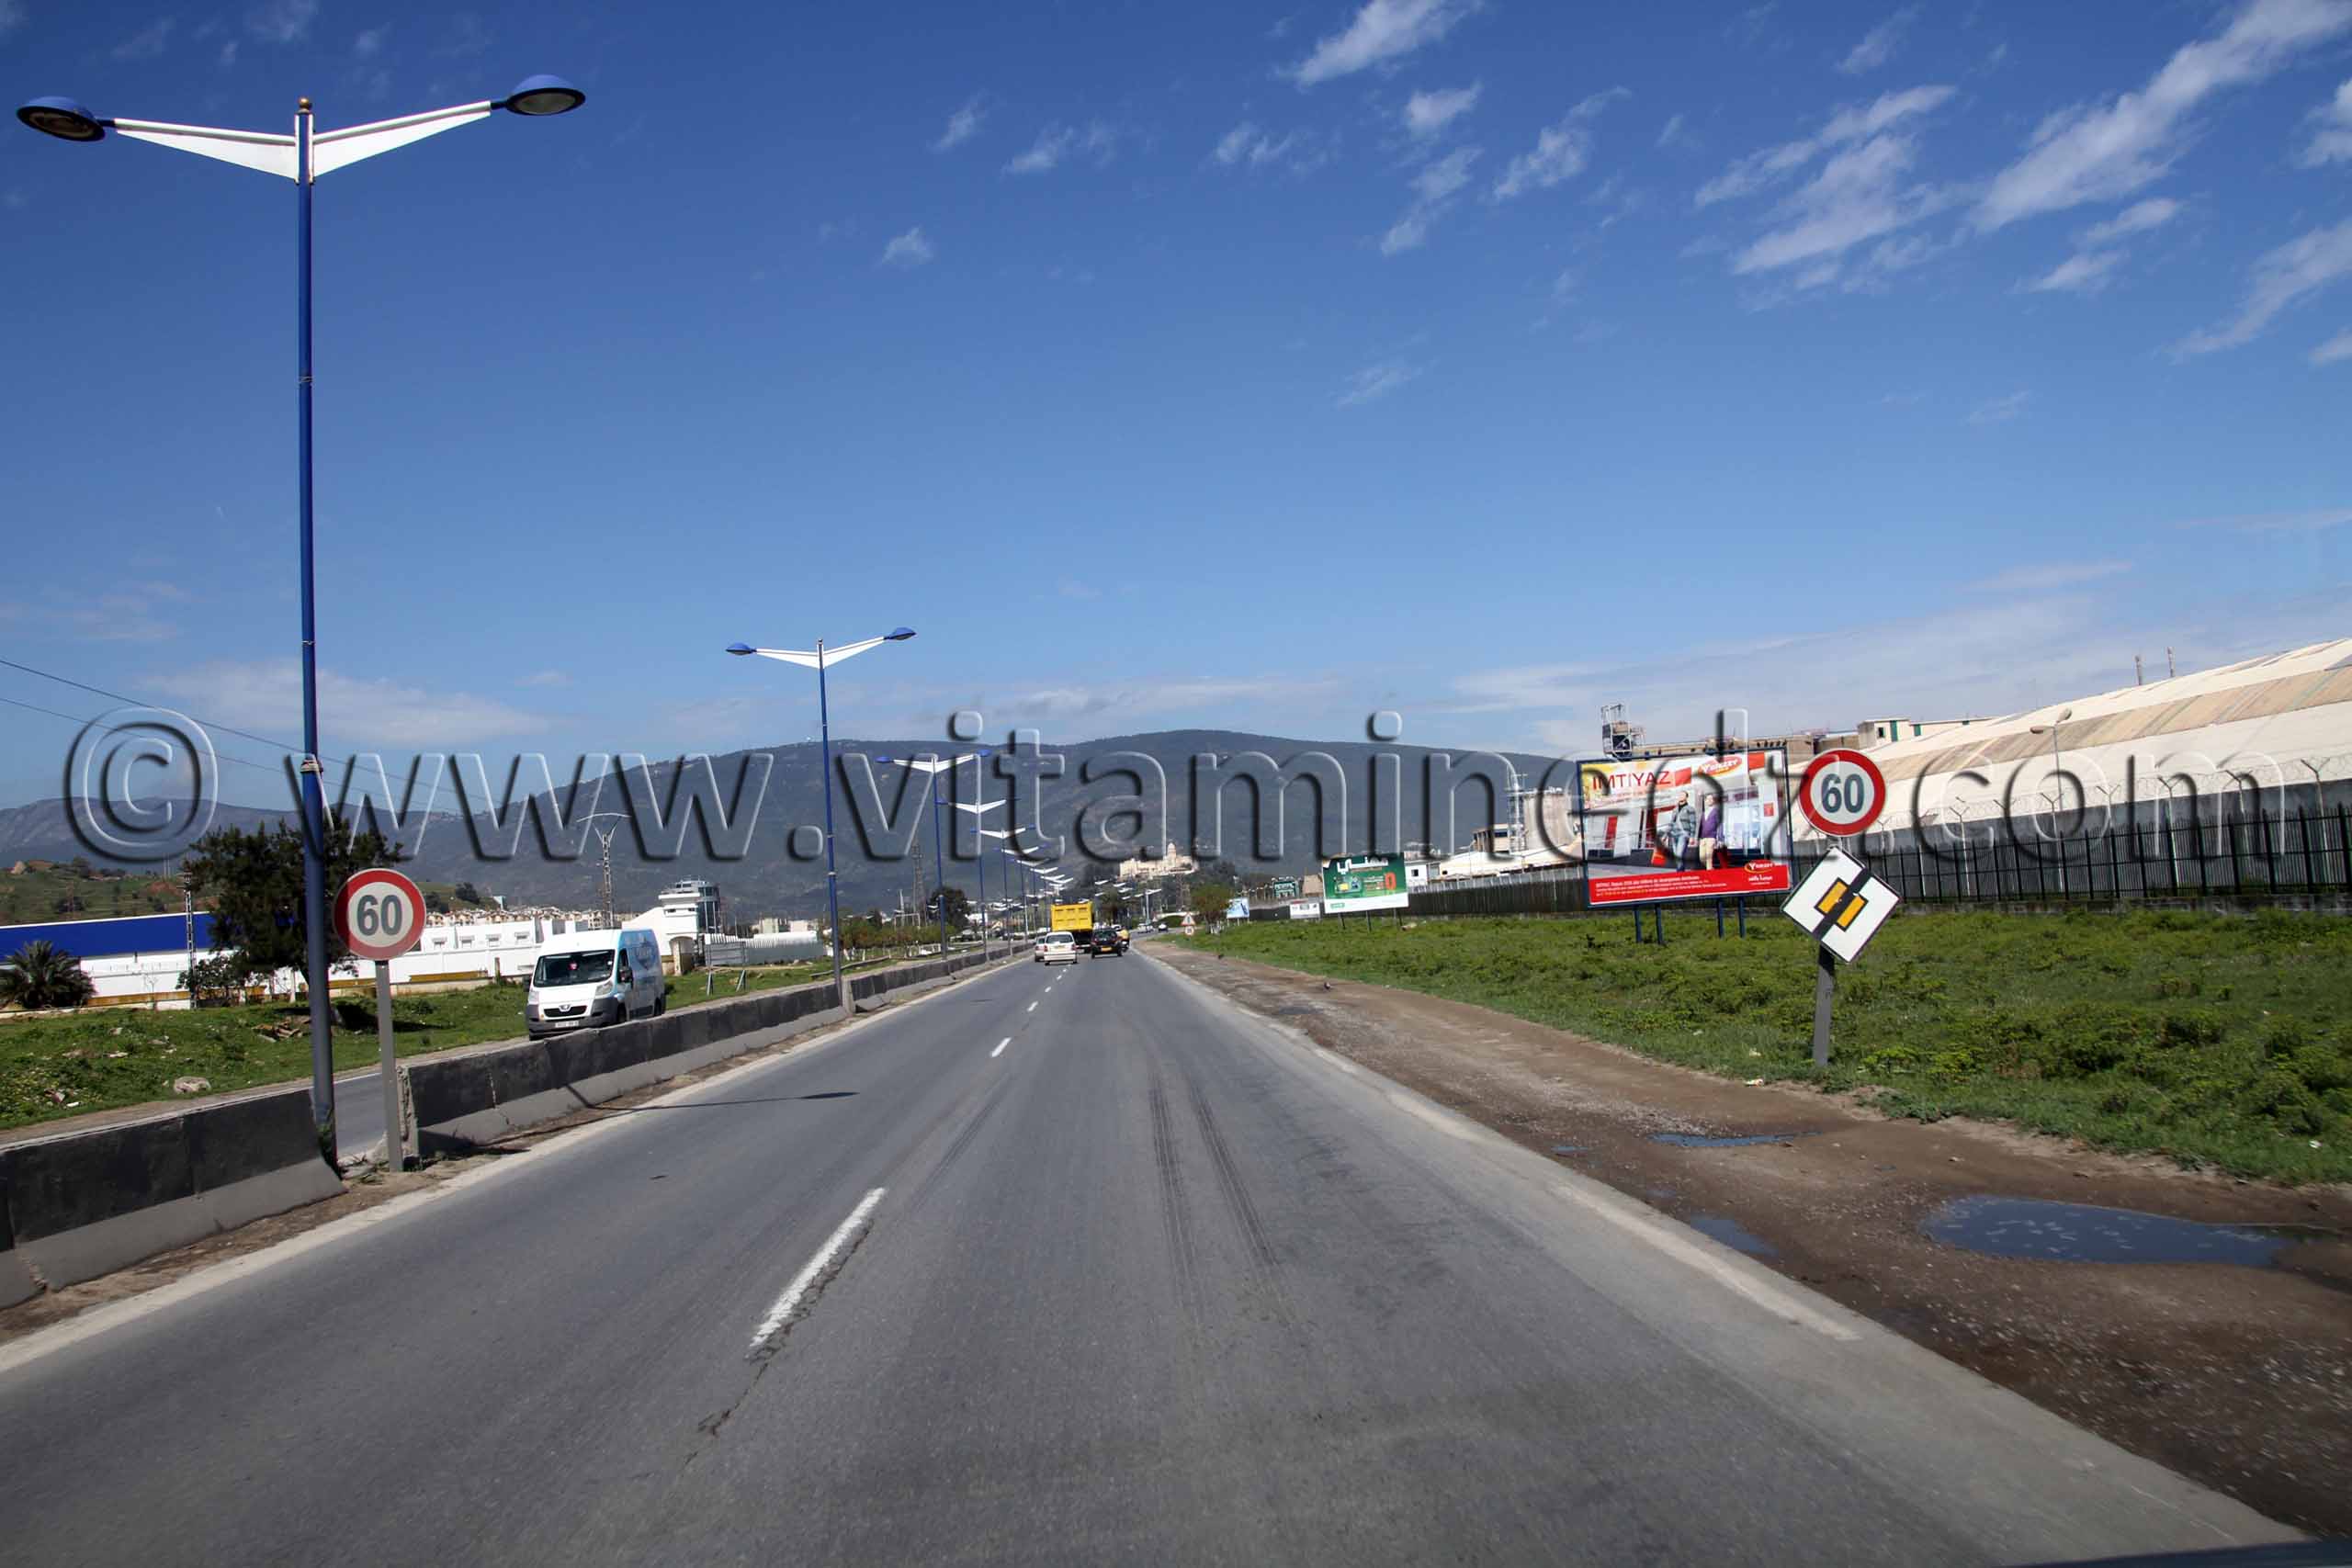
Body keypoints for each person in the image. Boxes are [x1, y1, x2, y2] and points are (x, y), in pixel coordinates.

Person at [1699, 798, 1723, 870]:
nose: (1709, 800)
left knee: (1709, 859)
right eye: (1707, 799)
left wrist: (1720, 839)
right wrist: (1699, 837)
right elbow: (1701, 826)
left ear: (1713, 801)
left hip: (1711, 837)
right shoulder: (1703, 813)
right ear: (1705, 801)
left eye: (1711, 799)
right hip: (1703, 838)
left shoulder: (1716, 811)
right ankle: (1711, 869)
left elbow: (1720, 825)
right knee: (1702, 858)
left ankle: (1709, 874)